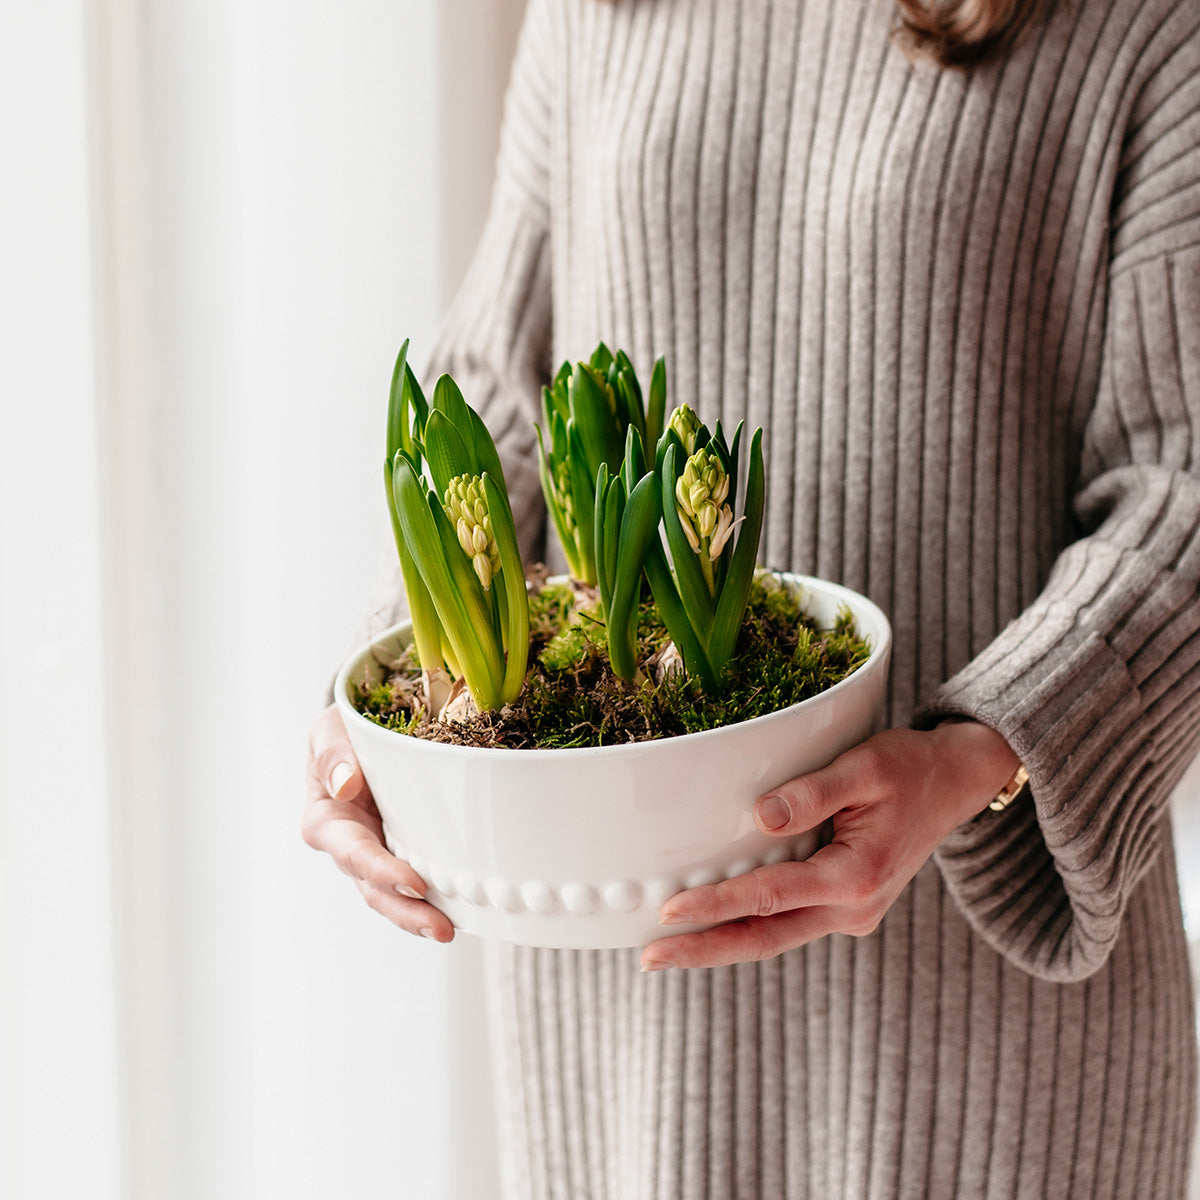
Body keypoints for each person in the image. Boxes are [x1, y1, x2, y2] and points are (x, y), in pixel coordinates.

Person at [304, 0, 1200, 1194]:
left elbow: (1179, 484)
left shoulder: (1145, 30)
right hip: (617, 990)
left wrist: (974, 751)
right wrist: (385, 711)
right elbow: (498, 400)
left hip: (979, 1012)